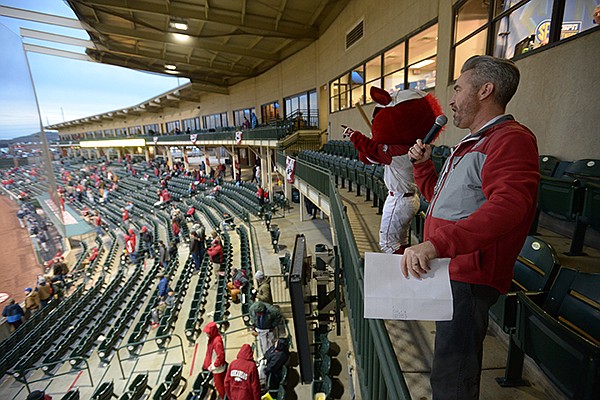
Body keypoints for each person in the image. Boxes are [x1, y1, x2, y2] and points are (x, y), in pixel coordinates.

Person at [404, 55, 539, 400]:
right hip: (453, 270)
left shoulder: (510, 139)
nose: (450, 100)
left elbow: (508, 207)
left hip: (469, 276)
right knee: (448, 368)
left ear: (485, 91)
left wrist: (437, 245)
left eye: (458, 89)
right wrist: (423, 168)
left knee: (453, 378)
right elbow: (442, 200)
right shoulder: (473, 142)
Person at [202, 322, 227, 399]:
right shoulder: (213, 339)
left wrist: (214, 366)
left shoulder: (216, 342)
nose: (207, 334)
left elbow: (221, 356)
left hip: (217, 370)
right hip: (215, 367)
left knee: (220, 387)